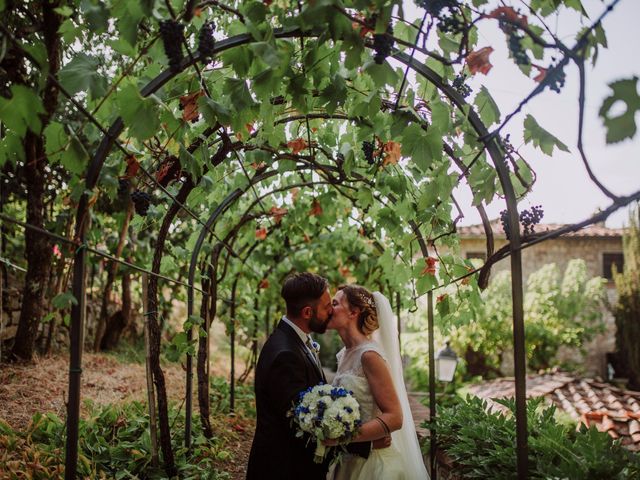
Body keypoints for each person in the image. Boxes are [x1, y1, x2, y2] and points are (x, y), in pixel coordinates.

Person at [246, 272, 379, 480]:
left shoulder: (296, 341)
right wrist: (365, 442)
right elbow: (303, 425)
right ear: (308, 312)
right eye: (327, 307)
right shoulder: (285, 354)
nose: (330, 312)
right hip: (284, 469)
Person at [325, 285, 429, 480]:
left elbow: (395, 417)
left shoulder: (369, 356)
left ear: (353, 312)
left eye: (335, 303)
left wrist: (341, 438)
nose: (329, 308)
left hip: (372, 464)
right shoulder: (345, 354)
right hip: (349, 459)